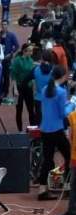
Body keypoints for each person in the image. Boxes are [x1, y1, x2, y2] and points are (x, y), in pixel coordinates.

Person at [36, 65, 74, 200]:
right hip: (56, 129)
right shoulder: (61, 92)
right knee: (69, 156)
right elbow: (62, 114)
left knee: (47, 160)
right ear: (63, 77)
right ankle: (68, 187)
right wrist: (71, 105)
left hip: (45, 129)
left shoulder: (45, 89)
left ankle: (42, 189)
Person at [56, 104, 76, 215]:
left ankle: (72, 210)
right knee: (74, 184)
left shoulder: (72, 116)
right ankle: (72, 211)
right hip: (75, 156)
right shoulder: (72, 116)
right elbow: (71, 138)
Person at [10, 43, 36, 131]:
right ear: (25, 51)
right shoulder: (17, 60)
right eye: (30, 51)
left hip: (28, 87)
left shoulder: (31, 60)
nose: (32, 52)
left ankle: (33, 129)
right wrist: (15, 89)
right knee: (19, 110)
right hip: (18, 87)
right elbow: (13, 75)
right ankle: (20, 130)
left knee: (31, 109)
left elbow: (32, 75)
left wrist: (33, 87)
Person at [32, 49, 54, 125]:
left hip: (38, 97)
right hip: (49, 98)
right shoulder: (53, 70)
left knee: (39, 121)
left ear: (42, 58)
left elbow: (32, 82)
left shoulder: (36, 69)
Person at [0, 20, 19, 101]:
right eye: (2, 24)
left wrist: (11, 54)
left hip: (7, 59)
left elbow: (17, 46)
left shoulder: (11, 35)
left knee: (6, 76)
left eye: (5, 24)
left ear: (7, 25)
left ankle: (5, 92)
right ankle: (0, 91)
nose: (3, 26)